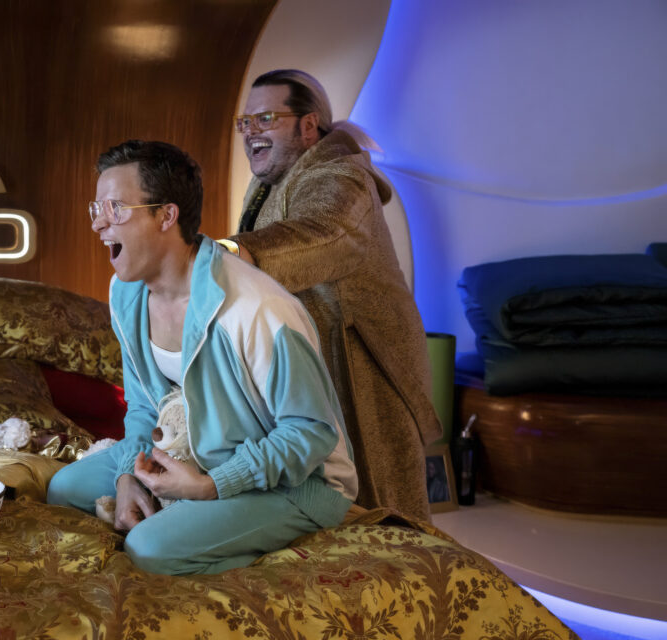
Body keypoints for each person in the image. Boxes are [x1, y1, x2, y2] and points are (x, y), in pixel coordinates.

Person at [47, 140, 358, 575]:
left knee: (149, 549)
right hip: (192, 454)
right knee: (64, 489)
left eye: (115, 208)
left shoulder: (258, 310)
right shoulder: (126, 293)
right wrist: (128, 476)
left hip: (298, 482)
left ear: (166, 216)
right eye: (96, 209)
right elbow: (143, 405)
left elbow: (310, 433)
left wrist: (212, 486)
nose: (99, 224)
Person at [227, 69, 441, 522]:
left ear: (309, 126)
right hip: (312, 368)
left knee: (387, 515)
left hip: (363, 367)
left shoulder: (342, 176)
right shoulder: (268, 184)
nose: (250, 132)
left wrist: (220, 253)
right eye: (245, 122)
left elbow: (323, 235)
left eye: (265, 118)